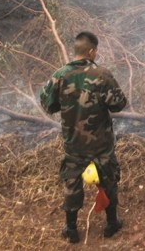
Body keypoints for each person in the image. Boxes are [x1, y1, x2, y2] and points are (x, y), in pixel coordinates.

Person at [40, 31, 128, 243]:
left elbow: (47, 105)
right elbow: (119, 104)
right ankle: (111, 223)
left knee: (72, 183)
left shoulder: (59, 76)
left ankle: (71, 228)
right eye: (95, 51)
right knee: (108, 180)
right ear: (91, 51)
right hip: (101, 143)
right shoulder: (103, 75)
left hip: (74, 144)